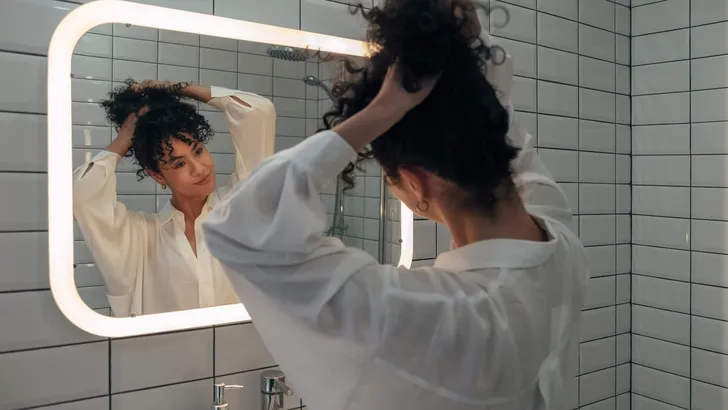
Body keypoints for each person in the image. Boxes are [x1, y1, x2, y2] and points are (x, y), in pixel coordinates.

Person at [203, 0, 588, 409]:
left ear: (415, 183)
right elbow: (503, 127)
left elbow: (237, 231)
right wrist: (462, 49)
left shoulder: (427, 319)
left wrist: (381, 110)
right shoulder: (562, 248)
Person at [73, 80, 275, 317]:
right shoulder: (139, 239)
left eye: (198, 151)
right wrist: (127, 136)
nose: (199, 169)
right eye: (179, 163)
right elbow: (82, 195)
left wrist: (176, 89)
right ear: (157, 175)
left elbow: (258, 111)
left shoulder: (241, 208)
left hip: (246, 352)